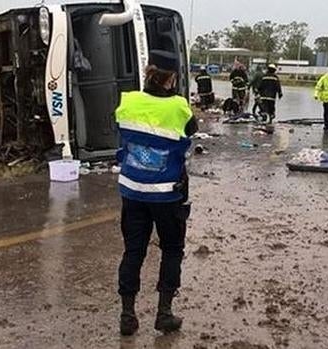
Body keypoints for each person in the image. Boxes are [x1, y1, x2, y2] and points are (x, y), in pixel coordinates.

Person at [114, 65, 198, 336]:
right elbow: (191, 129)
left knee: (133, 251)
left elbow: (120, 129)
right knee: (172, 250)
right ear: (170, 78)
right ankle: (164, 314)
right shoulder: (179, 107)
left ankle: (127, 316)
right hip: (166, 193)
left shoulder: (128, 101)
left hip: (132, 191)